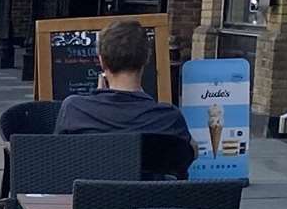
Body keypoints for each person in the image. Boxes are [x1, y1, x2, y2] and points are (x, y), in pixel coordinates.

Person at [55, 20, 192, 152]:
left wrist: (99, 97)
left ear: (101, 60)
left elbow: (58, 154)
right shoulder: (169, 118)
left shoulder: (75, 110)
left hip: (88, 175)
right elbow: (188, 156)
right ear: (146, 59)